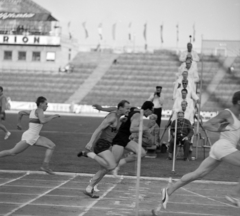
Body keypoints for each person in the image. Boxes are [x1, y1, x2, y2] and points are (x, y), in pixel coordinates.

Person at [153, 91, 240, 215]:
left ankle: (169, 190)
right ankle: (234, 195)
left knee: (198, 174)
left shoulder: (238, 117)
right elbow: (207, 124)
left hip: (223, 148)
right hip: (223, 147)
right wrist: (218, 129)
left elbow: (235, 138)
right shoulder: (227, 113)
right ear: (239, 102)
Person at [77, 100, 131, 198]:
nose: (129, 110)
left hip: (107, 145)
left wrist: (102, 109)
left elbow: (112, 109)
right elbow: (98, 129)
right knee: (112, 166)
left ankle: (89, 188)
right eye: (127, 108)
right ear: (120, 108)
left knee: (104, 169)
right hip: (101, 145)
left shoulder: (118, 114)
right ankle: (89, 154)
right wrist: (90, 142)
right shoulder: (112, 117)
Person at [0, 96, 60, 175]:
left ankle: (45, 166)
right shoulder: (39, 110)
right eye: (46, 104)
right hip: (30, 137)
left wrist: (18, 123)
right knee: (12, 152)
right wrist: (52, 116)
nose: (47, 105)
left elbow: (20, 112)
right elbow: (43, 121)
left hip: (34, 136)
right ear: (41, 104)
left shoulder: (33, 111)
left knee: (51, 146)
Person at [92, 101, 154, 176]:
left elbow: (115, 109)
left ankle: (118, 165)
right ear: (147, 110)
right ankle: (92, 158)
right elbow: (132, 128)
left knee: (142, 153)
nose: (152, 113)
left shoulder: (134, 109)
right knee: (111, 165)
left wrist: (102, 108)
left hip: (125, 138)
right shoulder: (138, 115)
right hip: (119, 139)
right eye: (152, 110)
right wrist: (146, 128)